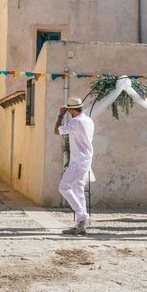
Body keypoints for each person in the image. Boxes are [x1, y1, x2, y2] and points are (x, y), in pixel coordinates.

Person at [54, 97, 94, 236]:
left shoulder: (75, 121)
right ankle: (79, 225)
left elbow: (57, 131)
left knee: (64, 187)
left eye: (69, 110)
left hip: (78, 161)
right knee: (78, 190)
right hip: (85, 159)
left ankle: (83, 217)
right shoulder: (89, 120)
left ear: (71, 110)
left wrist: (60, 115)